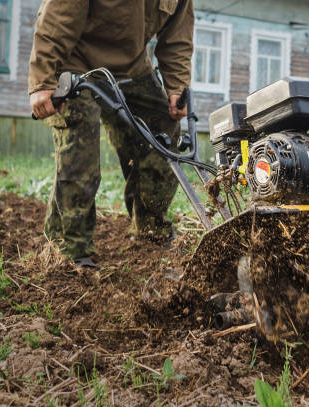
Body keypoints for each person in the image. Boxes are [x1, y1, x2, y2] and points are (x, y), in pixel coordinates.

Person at [28, 0, 194, 268]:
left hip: (133, 69)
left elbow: (177, 38)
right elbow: (57, 16)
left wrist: (177, 86)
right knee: (80, 154)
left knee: (163, 132)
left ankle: (149, 229)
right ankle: (68, 250)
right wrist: (43, 78)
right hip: (77, 62)